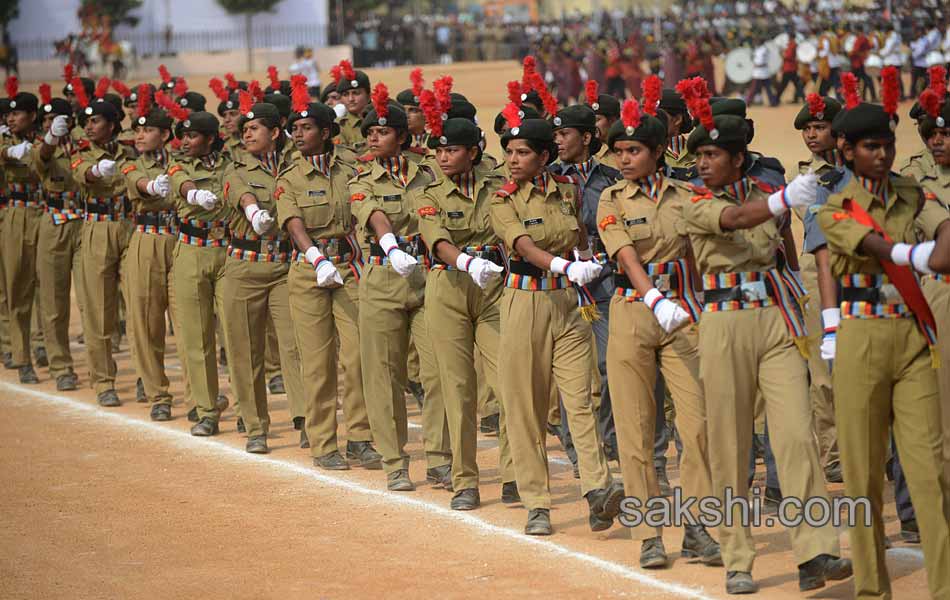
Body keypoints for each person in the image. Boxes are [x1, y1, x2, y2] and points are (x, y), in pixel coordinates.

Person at [681, 82, 850, 595]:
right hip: (723, 323)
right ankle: (737, 557)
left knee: (797, 436)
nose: (703, 163)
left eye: (712, 155)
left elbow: (781, 249)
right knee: (731, 444)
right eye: (699, 154)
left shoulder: (766, 192)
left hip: (775, 320)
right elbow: (734, 219)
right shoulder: (693, 200)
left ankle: (815, 552)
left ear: (738, 158)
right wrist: (783, 199)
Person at [807, 78, 950, 600]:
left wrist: (942, 243)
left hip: (912, 340)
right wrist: (920, 255)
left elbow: (944, 225)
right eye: (872, 146)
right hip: (861, 337)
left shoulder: (914, 191)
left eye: (888, 143)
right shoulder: (833, 204)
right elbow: (870, 245)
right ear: (847, 150)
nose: (884, 153)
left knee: (931, 471)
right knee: (865, 480)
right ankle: (872, 591)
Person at [595, 97, 721, 568]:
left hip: (684, 314)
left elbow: (700, 250)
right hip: (634, 310)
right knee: (635, 428)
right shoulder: (612, 198)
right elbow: (625, 255)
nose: (624, 159)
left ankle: (698, 526)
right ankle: (648, 531)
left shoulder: (687, 195)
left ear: (658, 150)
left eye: (633, 150)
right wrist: (653, 299)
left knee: (698, 423)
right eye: (618, 151)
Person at [489, 106, 622, 536]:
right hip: (524, 302)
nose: (512, 159)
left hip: (568, 304)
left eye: (522, 152)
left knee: (581, 399)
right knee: (525, 406)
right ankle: (537, 503)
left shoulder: (567, 190)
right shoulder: (503, 198)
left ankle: (598, 489)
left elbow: (578, 234)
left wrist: (584, 258)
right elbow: (524, 247)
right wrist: (567, 267)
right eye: (509, 151)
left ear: (544, 157)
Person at [348, 84, 451, 491]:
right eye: (370, 132)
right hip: (382, 279)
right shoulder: (361, 177)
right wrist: (390, 246)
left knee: (438, 370)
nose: (373, 137)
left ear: (404, 138)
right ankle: (394, 460)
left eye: (383, 131)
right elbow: (372, 214)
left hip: (427, 279)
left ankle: (442, 459)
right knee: (383, 374)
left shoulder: (428, 173)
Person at [276, 87, 381, 470]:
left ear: (326, 131)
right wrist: (317, 258)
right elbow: (293, 223)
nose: (299, 134)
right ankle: (323, 443)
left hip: (350, 268)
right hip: (309, 272)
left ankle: (360, 437)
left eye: (306, 127)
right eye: (295, 129)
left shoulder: (352, 167)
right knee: (318, 363)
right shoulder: (290, 177)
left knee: (357, 356)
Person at [416, 115, 511, 510]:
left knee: (508, 381)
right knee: (458, 388)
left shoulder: (499, 188)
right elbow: (436, 241)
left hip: (492, 290)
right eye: (438, 150)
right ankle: (465, 481)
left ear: (473, 152)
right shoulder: (428, 192)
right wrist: (468, 263)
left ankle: (514, 474)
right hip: (449, 287)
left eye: (451, 149)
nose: (442, 157)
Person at [219, 97, 306, 454]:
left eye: (255, 128)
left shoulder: (294, 164)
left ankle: (306, 420)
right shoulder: (235, 166)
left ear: (275, 131)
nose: (247, 134)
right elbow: (240, 194)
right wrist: (254, 212)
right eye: (244, 129)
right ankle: (256, 425)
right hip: (244, 266)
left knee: (295, 346)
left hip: (286, 267)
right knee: (245, 350)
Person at [549, 102, 621, 463]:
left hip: (605, 283)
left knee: (610, 365)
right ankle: (577, 446)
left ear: (588, 137)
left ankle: (608, 437)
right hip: (564, 285)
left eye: (565, 134)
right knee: (573, 371)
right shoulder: (547, 178)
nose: (557, 140)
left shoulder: (611, 178)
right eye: (555, 134)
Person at [118, 93, 185, 421]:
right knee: (146, 320)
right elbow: (135, 180)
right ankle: (158, 392)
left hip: (180, 240)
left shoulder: (180, 159)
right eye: (137, 130)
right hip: (146, 240)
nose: (140, 135)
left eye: (147, 131)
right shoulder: (132, 161)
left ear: (165, 134)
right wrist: (151, 186)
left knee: (188, 322)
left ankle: (203, 396)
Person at [167, 110, 233, 436]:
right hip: (191, 251)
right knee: (198, 337)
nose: (186, 141)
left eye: (192, 136)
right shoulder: (178, 163)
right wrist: (194, 194)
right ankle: (207, 410)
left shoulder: (231, 164)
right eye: (184, 135)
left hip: (229, 251)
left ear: (209, 138)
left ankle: (250, 410)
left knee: (237, 335)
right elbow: (180, 183)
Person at [72, 80, 136, 406]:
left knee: (139, 305)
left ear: (111, 125)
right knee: (99, 309)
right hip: (97, 227)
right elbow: (80, 174)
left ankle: (144, 377)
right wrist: (96, 170)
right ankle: (103, 381)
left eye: (95, 121)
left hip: (130, 225)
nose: (88, 126)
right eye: (86, 121)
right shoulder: (81, 150)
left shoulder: (131, 148)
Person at [792, 93, 844, 483]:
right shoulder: (804, 177)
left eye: (820, 127)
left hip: (862, 273)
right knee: (823, 372)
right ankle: (833, 452)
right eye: (808, 128)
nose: (812, 135)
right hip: (817, 274)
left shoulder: (859, 169)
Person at [901, 75, 950, 465]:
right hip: (939, 291)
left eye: (945, 134)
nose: (937, 141)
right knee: (942, 391)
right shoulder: (911, 176)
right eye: (932, 134)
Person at [32, 87, 83, 391]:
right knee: (54, 301)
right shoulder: (42, 146)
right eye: (47, 119)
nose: (52, 123)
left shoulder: (84, 144)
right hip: (54, 223)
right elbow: (39, 162)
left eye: (58, 119)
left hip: (87, 221)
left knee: (92, 303)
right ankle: (60, 365)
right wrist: (51, 138)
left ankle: (102, 365)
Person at [0, 83, 42, 385]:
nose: (11, 119)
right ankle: (21, 355)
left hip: (46, 213)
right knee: (16, 284)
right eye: (9, 114)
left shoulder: (45, 140)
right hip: (15, 213)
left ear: (31, 116)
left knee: (47, 288)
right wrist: (8, 151)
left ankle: (45, 349)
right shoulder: (3, 139)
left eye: (17, 114)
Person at [335, 60, 371, 153]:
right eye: (345, 94)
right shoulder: (339, 126)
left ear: (368, 96)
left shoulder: (378, 120)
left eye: (356, 93)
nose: (351, 99)